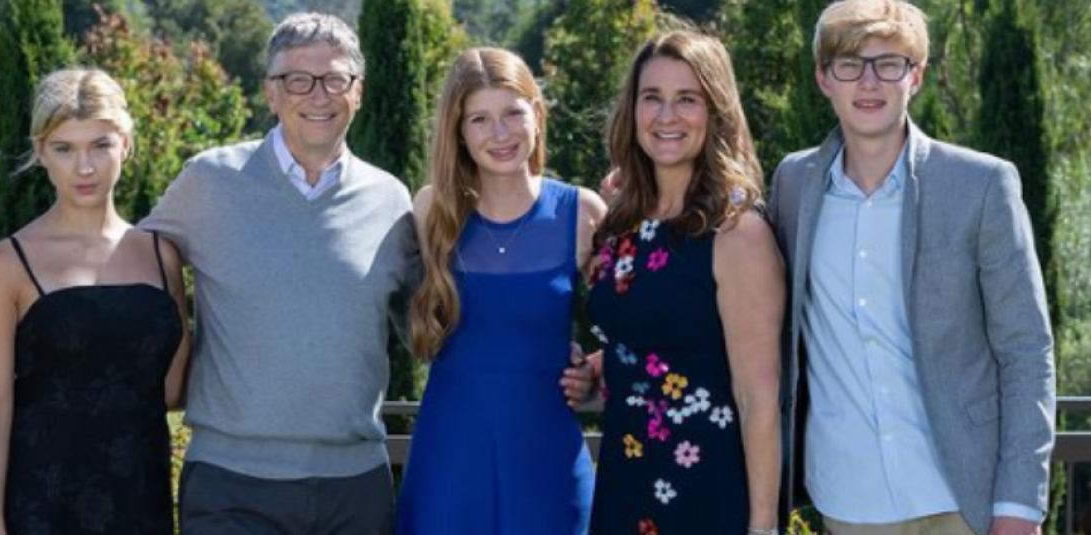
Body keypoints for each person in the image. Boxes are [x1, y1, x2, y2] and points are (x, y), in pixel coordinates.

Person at [768, 1, 1056, 534]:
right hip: (849, 501)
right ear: (823, 78)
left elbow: (1026, 351)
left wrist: (1020, 504)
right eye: (850, 64)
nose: (869, 81)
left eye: (889, 63)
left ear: (916, 76)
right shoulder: (791, 185)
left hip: (965, 499)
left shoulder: (980, 185)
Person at [138, 12, 419, 535]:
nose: (318, 95)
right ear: (271, 93)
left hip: (356, 488)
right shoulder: (210, 181)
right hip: (230, 485)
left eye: (335, 79)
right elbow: (129, 266)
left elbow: (431, 330)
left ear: (358, 92)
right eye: (297, 80)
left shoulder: (391, 200)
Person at [0, 68, 191, 535]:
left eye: (100, 145)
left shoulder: (163, 256)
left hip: (141, 500)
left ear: (126, 144)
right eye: (64, 149)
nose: (84, 167)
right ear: (40, 152)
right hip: (41, 504)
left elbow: (172, 390)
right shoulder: (4, 265)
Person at [395, 47, 606, 535]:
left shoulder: (583, 214)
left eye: (513, 113)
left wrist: (595, 370)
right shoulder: (431, 210)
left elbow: (639, 322)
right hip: (449, 459)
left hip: (548, 462)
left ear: (537, 114)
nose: (500, 133)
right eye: (480, 119)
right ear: (458, 131)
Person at [582, 30, 784, 535]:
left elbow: (759, 397)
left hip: (705, 491)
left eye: (687, 99)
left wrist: (763, 527)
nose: (667, 115)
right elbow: (650, 341)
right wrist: (595, 370)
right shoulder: (623, 223)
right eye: (652, 97)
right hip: (625, 481)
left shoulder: (737, 231)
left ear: (716, 111)